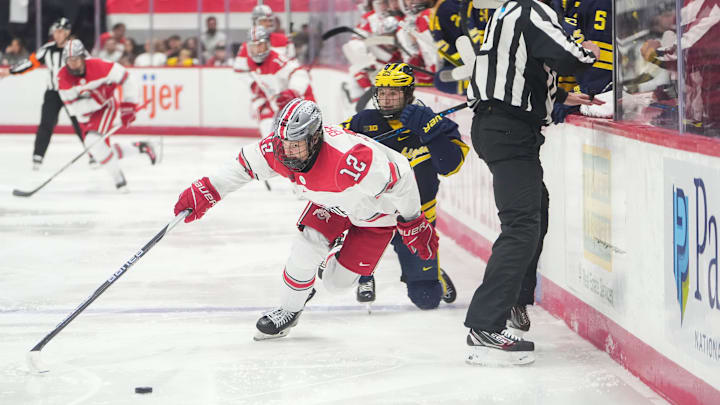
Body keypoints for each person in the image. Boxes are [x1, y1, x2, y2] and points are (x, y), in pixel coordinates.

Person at [173, 98, 439, 340]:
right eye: (285, 144)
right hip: (330, 205)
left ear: (315, 139)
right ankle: (289, 309)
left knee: (336, 284)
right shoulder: (277, 148)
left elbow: (401, 179)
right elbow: (243, 166)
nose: (288, 152)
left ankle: (327, 264)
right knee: (305, 249)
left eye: (296, 145)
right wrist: (208, 189)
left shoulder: (349, 159)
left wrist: (413, 220)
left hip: (375, 215)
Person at [462, 0, 602, 365]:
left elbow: (524, 65)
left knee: (535, 211)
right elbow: (569, 57)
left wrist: (557, 95)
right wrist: (589, 52)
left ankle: (513, 301)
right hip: (508, 129)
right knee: (522, 226)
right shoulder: (532, 9)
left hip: (501, 126)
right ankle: (485, 324)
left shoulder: (507, 11)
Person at [342, 63, 465, 309]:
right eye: (382, 93)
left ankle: (433, 273)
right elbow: (333, 149)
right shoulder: (363, 122)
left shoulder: (431, 121)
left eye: (394, 93)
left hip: (416, 219)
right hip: (371, 214)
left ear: (408, 94)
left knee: (427, 299)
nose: (386, 100)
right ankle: (366, 274)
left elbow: (450, 166)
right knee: (340, 262)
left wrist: (432, 134)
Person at [57, 39, 157, 191]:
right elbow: (73, 108)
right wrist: (97, 99)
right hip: (86, 114)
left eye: (76, 59)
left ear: (83, 57)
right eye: (69, 60)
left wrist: (128, 105)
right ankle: (140, 147)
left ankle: (119, 180)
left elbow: (126, 78)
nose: (72, 64)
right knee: (100, 150)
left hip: (106, 107)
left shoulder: (100, 66)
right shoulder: (62, 77)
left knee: (93, 141)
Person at [0, 18, 87, 171]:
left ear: (67, 32)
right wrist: (10, 71)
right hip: (53, 93)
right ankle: (38, 156)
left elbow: (90, 66)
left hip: (73, 93)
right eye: (55, 31)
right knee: (46, 123)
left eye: (60, 31)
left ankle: (94, 153)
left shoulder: (76, 48)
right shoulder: (48, 49)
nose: (56, 35)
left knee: (80, 123)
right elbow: (30, 63)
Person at [234, 26, 315, 137]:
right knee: (271, 136)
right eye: (253, 47)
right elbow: (240, 71)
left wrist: (293, 91)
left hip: (301, 102)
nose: (257, 51)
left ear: (267, 45)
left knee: (301, 141)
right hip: (279, 104)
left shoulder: (276, 59)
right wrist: (253, 85)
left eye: (260, 46)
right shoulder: (249, 61)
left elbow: (299, 73)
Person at [341, 0, 404, 106]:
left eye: (387, 2)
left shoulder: (400, 17)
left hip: (400, 64)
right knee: (356, 76)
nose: (385, 6)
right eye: (381, 3)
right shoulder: (370, 19)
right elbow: (355, 44)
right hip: (380, 65)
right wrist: (365, 65)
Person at [429, 0, 495, 95]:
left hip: (505, 63)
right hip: (486, 65)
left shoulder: (447, 8)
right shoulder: (467, 6)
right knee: (441, 80)